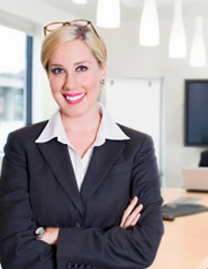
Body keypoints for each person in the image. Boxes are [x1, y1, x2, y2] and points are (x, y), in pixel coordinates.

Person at [0, 19, 164, 269]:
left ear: (102, 71)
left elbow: (143, 247)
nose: (70, 84)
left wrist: (57, 236)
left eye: (81, 68)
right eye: (58, 70)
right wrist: (111, 242)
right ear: (48, 76)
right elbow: (15, 252)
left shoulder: (137, 147)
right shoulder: (22, 145)